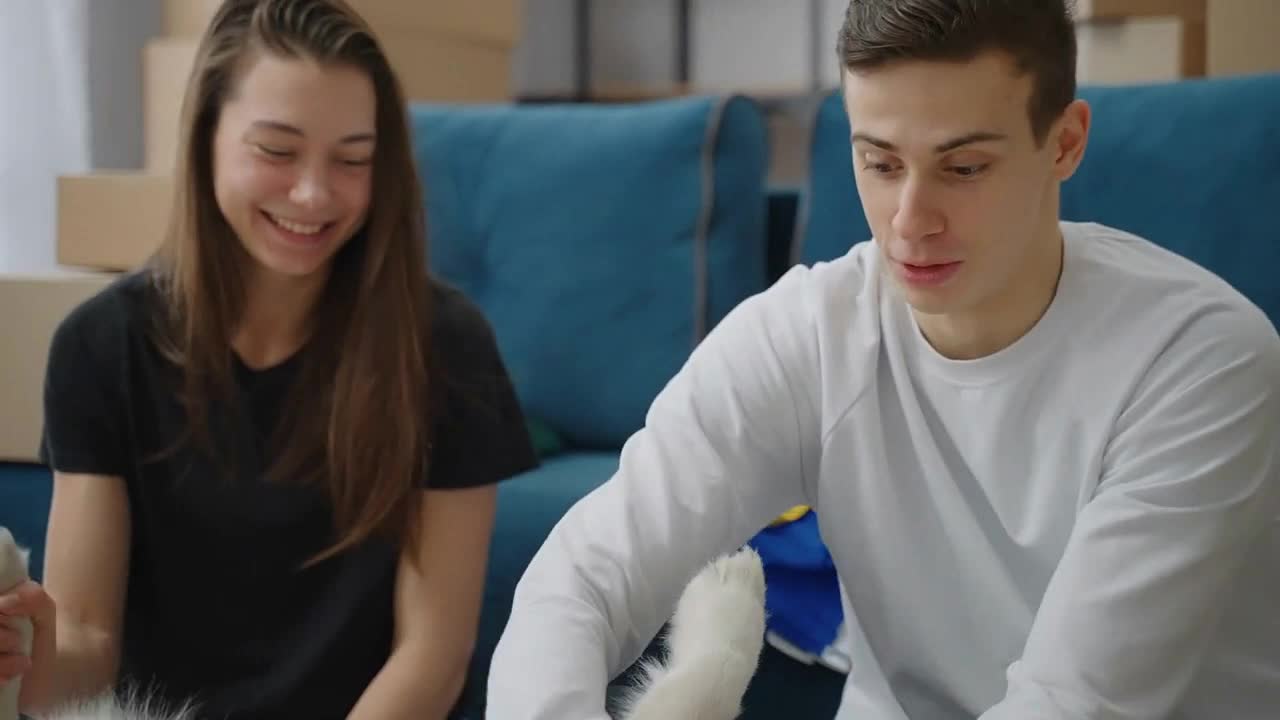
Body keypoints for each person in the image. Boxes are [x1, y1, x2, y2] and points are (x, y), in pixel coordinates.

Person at [485, 1, 1280, 718]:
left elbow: (1073, 706)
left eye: (964, 167)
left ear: (1064, 142)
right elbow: (582, 579)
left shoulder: (1201, 363)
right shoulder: (808, 332)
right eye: (880, 161)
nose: (909, 222)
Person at [0, 0, 537, 717]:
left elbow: (433, 656)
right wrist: (26, 650)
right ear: (205, 139)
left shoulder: (446, 344)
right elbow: (91, 640)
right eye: (277, 151)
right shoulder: (101, 346)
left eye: (353, 160)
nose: (313, 194)